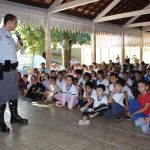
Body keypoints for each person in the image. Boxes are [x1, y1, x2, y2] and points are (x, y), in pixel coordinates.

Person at [0, 14, 28, 132]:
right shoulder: (0, 33)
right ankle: (0, 121)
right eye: (15, 22)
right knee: (3, 95)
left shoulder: (10, 36)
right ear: (9, 22)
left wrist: (19, 44)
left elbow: (13, 51)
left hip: (13, 70)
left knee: (13, 93)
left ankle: (14, 117)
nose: (16, 25)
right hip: (4, 70)